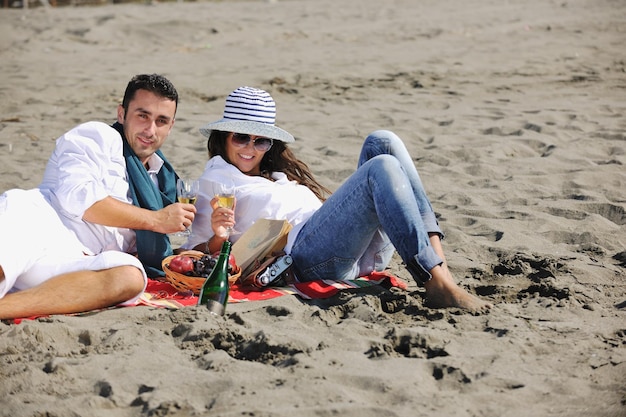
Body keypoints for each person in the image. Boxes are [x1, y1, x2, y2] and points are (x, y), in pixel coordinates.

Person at [182, 86, 491, 312]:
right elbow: (190, 255)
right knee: (380, 168)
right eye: (240, 137)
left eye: (261, 139)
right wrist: (218, 237)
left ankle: (441, 271)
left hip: (350, 251)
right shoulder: (216, 181)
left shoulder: (274, 175)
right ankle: (435, 281)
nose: (251, 147)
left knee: (383, 142)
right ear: (223, 136)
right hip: (306, 260)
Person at [0, 74, 195, 320]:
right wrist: (155, 219)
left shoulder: (164, 181)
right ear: (122, 114)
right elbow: (80, 200)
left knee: (131, 277)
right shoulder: (98, 136)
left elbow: (167, 248)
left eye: (161, 121)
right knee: (14, 240)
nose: (150, 130)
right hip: (39, 226)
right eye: (142, 115)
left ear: (171, 126)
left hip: (74, 264)